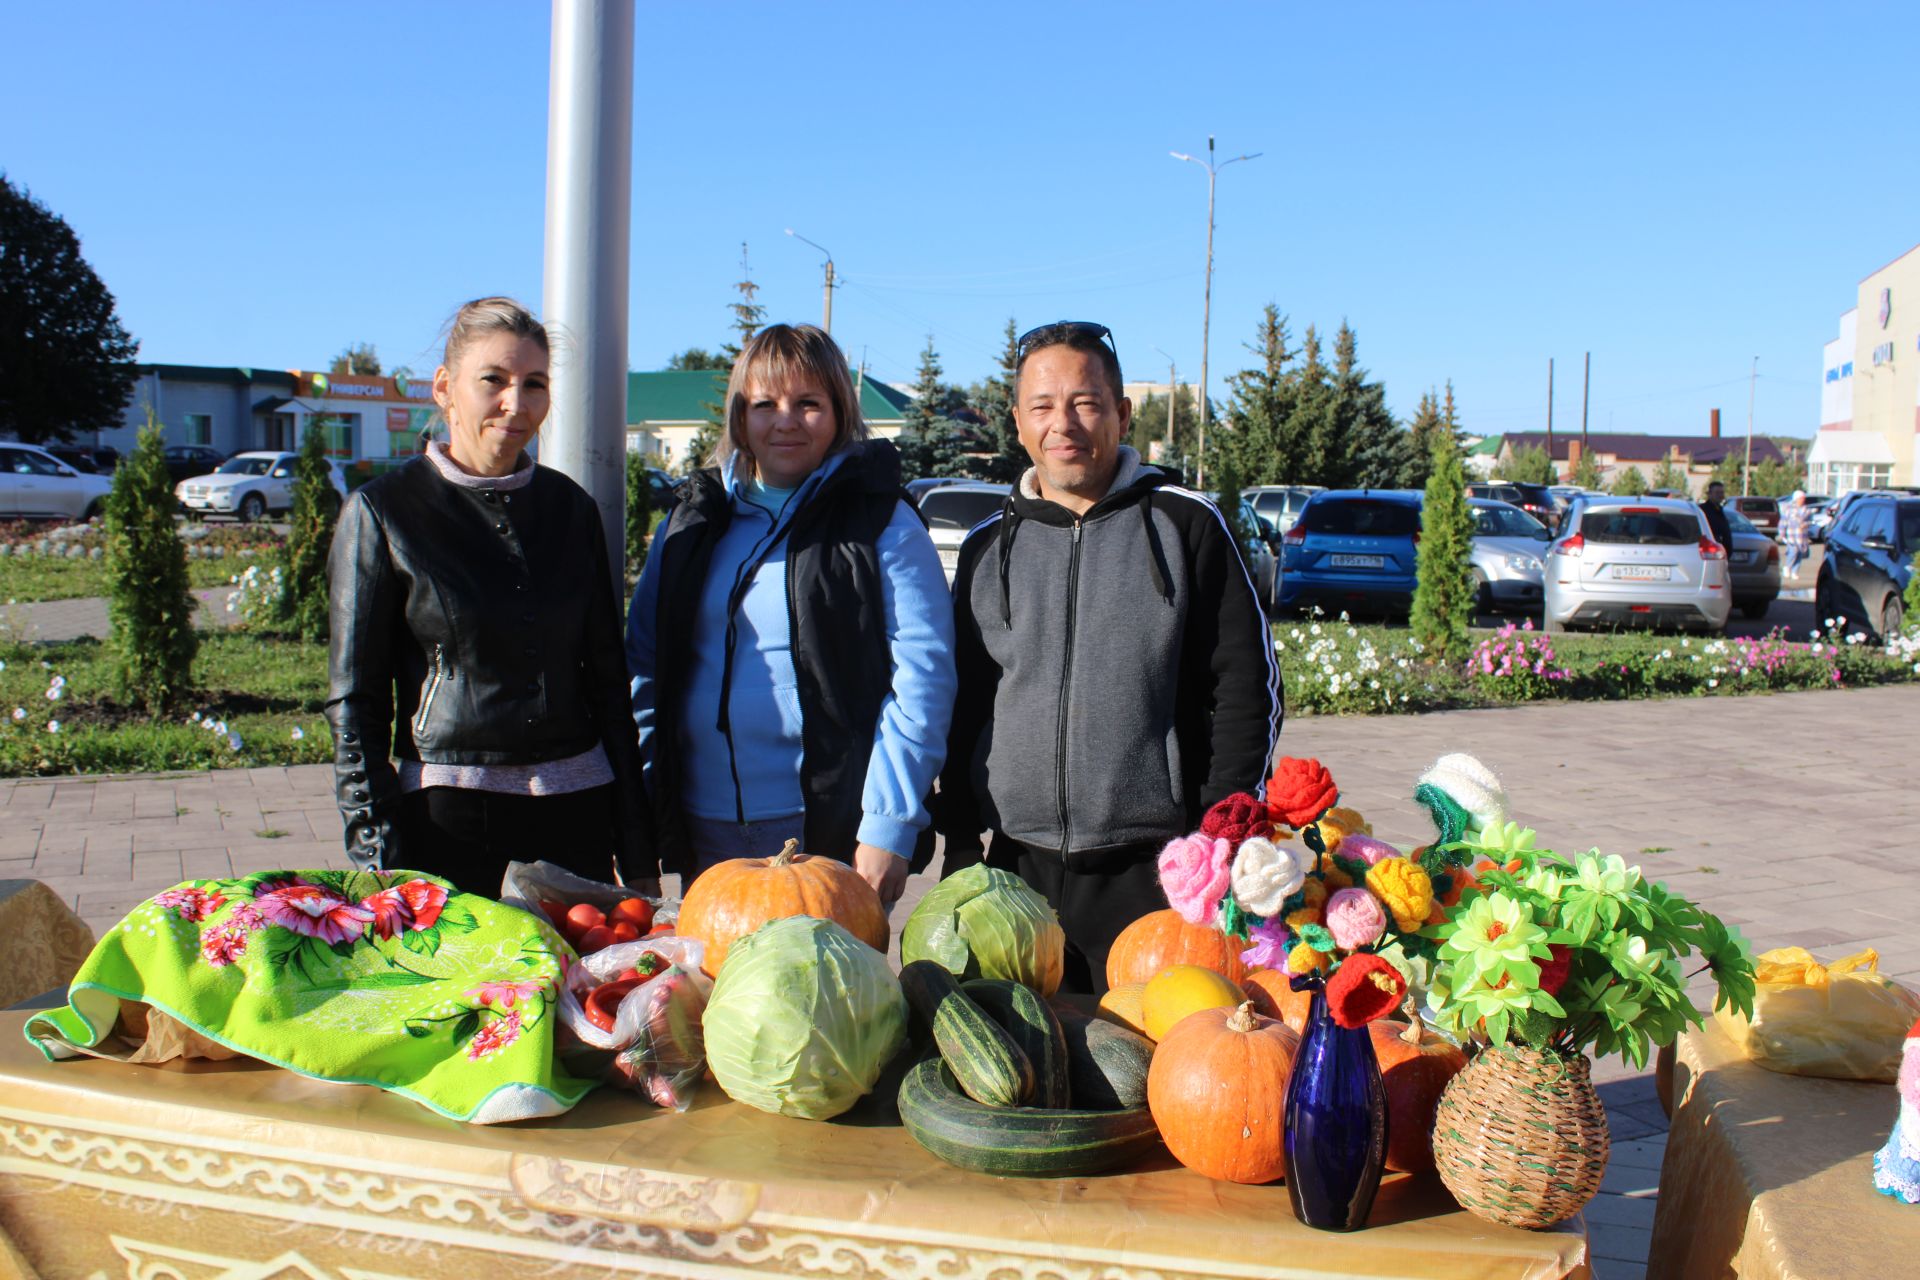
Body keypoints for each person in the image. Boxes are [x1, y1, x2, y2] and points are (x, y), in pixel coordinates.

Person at [937, 321, 1282, 993]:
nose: (1063, 423)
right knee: (1021, 1077)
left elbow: (1245, 687)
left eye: (1085, 402)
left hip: (1156, 878)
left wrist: (1220, 835)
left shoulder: (1186, 527)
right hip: (1014, 877)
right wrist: (956, 838)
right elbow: (964, 700)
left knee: (1153, 1079)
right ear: (1017, 422)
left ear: (1122, 414)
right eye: (1042, 405)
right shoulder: (987, 548)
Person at [325, 297, 654, 897]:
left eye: (534, 384)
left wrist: (637, 851)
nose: (516, 403)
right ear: (445, 388)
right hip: (451, 822)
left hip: (578, 817)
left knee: (579, 989)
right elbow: (355, 704)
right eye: (493, 381)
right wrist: (378, 859)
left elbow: (610, 685)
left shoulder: (571, 510)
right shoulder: (383, 513)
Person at [625, 323, 955, 909]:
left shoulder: (881, 524)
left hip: (827, 832)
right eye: (765, 404)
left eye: (808, 403)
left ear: (838, 411)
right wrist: (643, 811)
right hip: (705, 828)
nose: (786, 420)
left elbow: (922, 681)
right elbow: (646, 667)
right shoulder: (691, 522)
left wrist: (889, 825)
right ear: (738, 414)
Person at [1780, 489, 1812, 581]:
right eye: (1801, 498)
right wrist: (1782, 534)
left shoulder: (1807, 510)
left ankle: (1795, 571)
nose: (1803, 500)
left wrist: (1806, 524)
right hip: (1792, 535)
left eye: (1803, 498)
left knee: (1800, 554)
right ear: (1796, 499)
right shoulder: (1789, 509)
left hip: (1802, 536)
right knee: (1793, 551)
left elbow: (1810, 521)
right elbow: (1783, 522)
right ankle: (1787, 567)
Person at [1700, 480, 1733, 551]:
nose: (1720, 495)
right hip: (1711, 551)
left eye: (1722, 492)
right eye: (1717, 493)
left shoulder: (1720, 511)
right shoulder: (1702, 511)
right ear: (1709, 494)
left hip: (1722, 552)